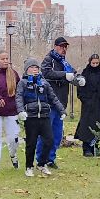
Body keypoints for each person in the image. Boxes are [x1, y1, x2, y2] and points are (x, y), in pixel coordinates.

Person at [17, 57, 63, 175]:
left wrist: (61, 111)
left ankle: (42, 164)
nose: (34, 69)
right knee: (31, 143)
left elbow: (53, 98)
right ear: (27, 69)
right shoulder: (23, 83)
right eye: (32, 67)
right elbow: (19, 98)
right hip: (31, 117)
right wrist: (21, 111)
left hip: (44, 116)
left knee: (49, 140)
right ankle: (29, 167)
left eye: (36, 67)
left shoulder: (44, 83)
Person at [39, 36, 74, 168]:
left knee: (57, 135)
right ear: (55, 46)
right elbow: (46, 73)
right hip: (49, 102)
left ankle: (50, 159)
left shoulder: (65, 63)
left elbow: (73, 73)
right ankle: (41, 159)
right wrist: (64, 75)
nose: (64, 49)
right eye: (61, 46)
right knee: (46, 134)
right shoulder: (49, 60)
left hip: (61, 103)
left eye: (65, 47)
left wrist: (78, 78)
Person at [74, 53, 100, 156]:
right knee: (86, 126)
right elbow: (80, 89)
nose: (95, 65)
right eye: (93, 63)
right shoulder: (85, 74)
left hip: (98, 104)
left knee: (97, 125)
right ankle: (86, 149)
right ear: (90, 62)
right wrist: (85, 100)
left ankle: (96, 147)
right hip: (87, 105)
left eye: (97, 63)